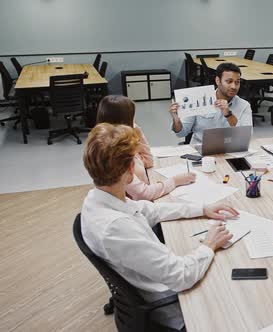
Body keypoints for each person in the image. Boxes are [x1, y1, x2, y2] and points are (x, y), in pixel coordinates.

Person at [81, 123, 239, 330]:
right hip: (172, 304)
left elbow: (150, 211)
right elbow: (181, 276)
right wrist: (209, 245)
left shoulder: (98, 199)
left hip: (152, 283)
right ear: (130, 169)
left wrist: (202, 208)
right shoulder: (117, 228)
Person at [96, 95, 195, 201]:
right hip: (135, 208)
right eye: (132, 116)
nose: (135, 119)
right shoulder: (117, 155)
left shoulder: (122, 144)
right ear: (125, 121)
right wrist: (175, 181)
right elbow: (144, 194)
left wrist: (135, 130)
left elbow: (148, 161)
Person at [170, 62, 253, 144]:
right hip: (200, 149)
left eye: (237, 82)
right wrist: (176, 120)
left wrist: (229, 114)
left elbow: (246, 137)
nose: (234, 86)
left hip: (229, 149)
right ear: (218, 80)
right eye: (229, 81)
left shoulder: (244, 105)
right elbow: (181, 133)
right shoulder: (198, 99)